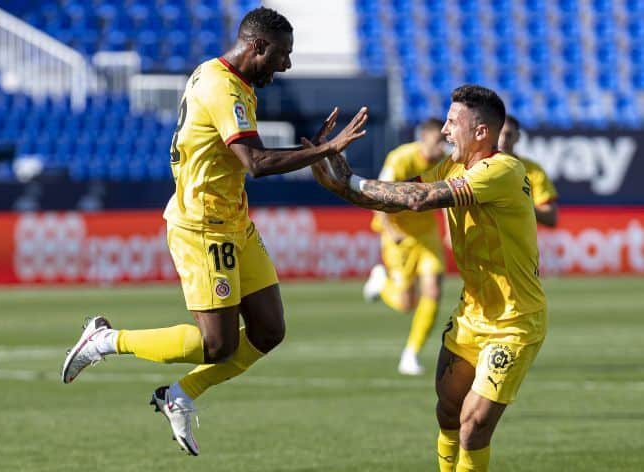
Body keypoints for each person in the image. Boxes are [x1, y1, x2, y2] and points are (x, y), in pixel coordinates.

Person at [60, 7, 368, 457]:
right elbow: (257, 164)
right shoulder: (223, 88)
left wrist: (314, 151)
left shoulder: (225, 76)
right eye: (282, 55)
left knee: (268, 331)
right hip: (203, 227)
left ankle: (179, 395)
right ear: (258, 47)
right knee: (217, 344)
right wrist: (325, 150)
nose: (286, 66)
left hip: (234, 221)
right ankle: (105, 340)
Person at [309, 85, 547, 472]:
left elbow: (419, 200)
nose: (446, 131)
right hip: (472, 315)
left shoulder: (502, 170)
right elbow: (399, 195)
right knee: (448, 411)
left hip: (513, 323)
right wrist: (340, 185)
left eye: (454, 123)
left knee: (473, 426)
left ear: (482, 132)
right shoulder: (452, 166)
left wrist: (349, 181)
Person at [362, 118, 448, 376]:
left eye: (445, 141)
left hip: (427, 235)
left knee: (433, 291)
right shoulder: (400, 159)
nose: (441, 147)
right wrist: (390, 231)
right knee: (405, 303)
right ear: (423, 137)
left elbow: (447, 195)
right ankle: (381, 282)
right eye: (437, 141)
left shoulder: (444, 163)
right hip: (398, 236)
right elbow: (378, 195)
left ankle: (411, 354)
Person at [498, 114, 559, 227]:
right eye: (498, 134)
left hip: (518, 242)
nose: (503, 139)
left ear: (518, 137)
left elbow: (551, 217)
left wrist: (522, 206)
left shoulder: (533, 170)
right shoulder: (477, 166)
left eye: (508, 134)